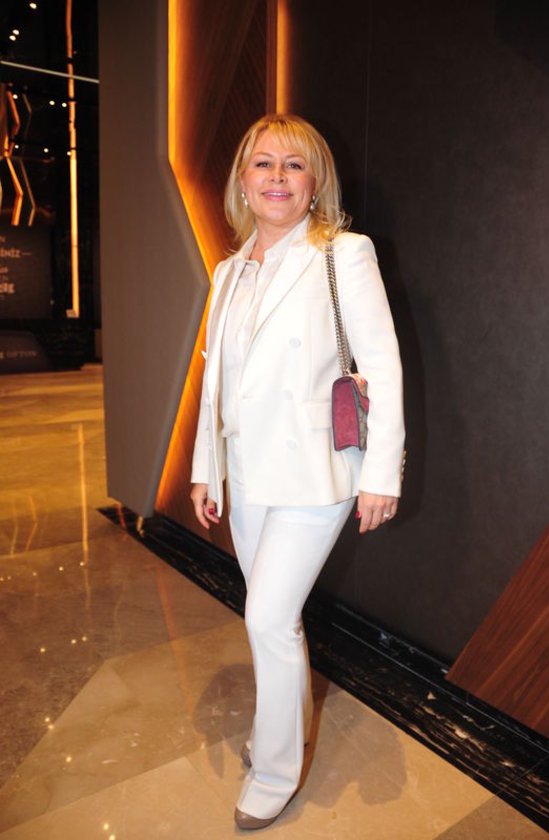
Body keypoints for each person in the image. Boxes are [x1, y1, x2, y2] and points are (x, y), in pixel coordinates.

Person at [190, 114, 405, 830]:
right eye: (263, 163)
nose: (277, 177)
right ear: (242, 181)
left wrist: (382, 474)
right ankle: (274, 730)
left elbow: (383, 367)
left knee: (268, 616)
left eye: (294, 164)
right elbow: (215, 383)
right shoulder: (228, 271)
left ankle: (276, 772)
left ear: (315, 183)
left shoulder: (343, 253)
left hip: (317, 473)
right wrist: (205, 468)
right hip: (248, 474)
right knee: (272, 622)